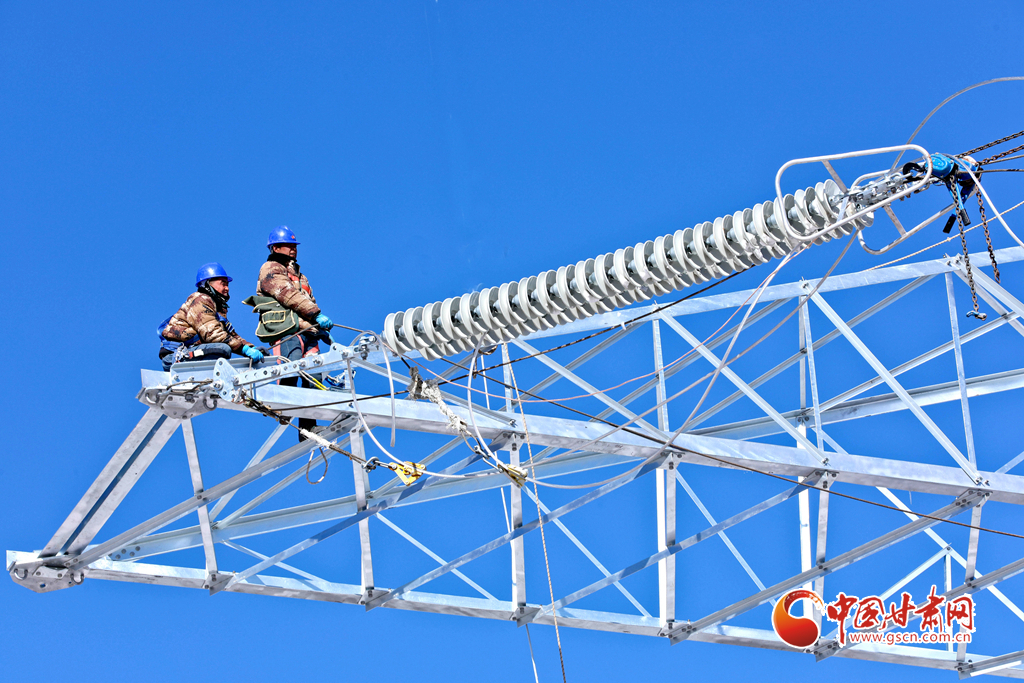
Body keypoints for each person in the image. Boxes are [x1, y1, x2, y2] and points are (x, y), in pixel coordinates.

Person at [256, 226, 334, 439]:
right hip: (287, 330)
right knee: (291, 367)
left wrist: (319, 327)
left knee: (314, 375)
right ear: (275, 248)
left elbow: (308, 299)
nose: (293, 249)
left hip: (308, 331)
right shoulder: (271, 269)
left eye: (294, 246)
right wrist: (315, 314)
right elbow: (287, 294)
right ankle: (283, 408)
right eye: (288, 246)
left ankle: (308, 427)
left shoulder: (300, 275)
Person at [159, 263, 265, 371]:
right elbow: (212, 334)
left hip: (191, 352)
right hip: (175, 356)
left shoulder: (217, 309)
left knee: (222, 348)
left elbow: (230, 335)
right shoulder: (200, 300)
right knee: (222, 349)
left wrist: (251, 348)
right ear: (207, 283)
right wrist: (243, 349)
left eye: (227, 285)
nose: (227, 288)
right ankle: (199, 370)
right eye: (223, 284)